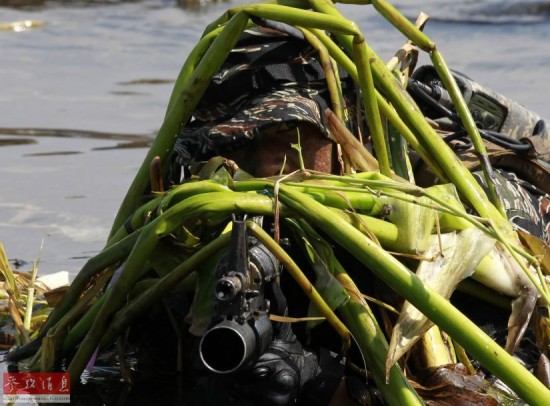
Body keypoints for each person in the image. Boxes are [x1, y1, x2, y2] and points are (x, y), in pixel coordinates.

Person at [167, 21, 550, 405]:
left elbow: (501, 388)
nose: (257, 169)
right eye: (230, 148)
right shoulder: (185, 236)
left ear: (348, 131)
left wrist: (325, 386)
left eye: (286, 136)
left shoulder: (459, 217)